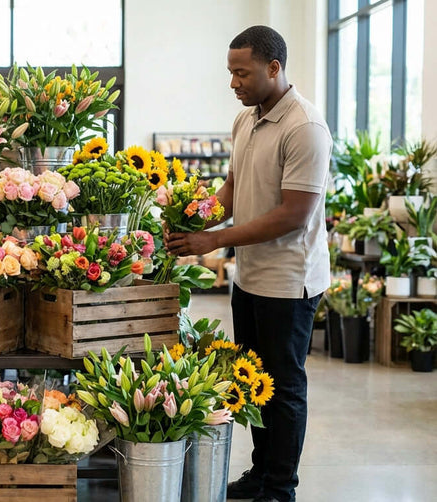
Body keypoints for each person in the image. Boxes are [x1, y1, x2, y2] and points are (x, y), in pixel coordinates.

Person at [165, 26, 331, 502]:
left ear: (274, 68)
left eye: (242, 73)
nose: (233, 83)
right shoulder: (246, 120)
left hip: (290, 281)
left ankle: (280, 488)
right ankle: (260, 474)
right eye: (231, 72)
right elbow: (232, 190)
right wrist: (192, 221)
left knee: (285, 388)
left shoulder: (305, 127)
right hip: (251, 277)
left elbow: (293, 213)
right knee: (254, 382)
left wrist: (213, 240)